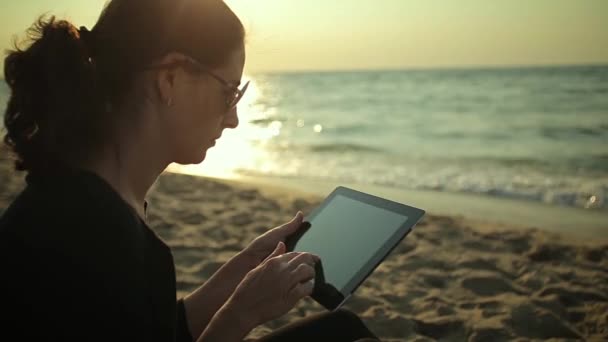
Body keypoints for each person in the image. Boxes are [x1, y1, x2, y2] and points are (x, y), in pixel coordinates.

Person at [0, 0, 380, 341]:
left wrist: (240, 272)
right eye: (228, 92)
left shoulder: (90, 194)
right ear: (170, 79)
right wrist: (241, 313)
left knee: (342, 329)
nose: (232, 119)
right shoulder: (97, 236)